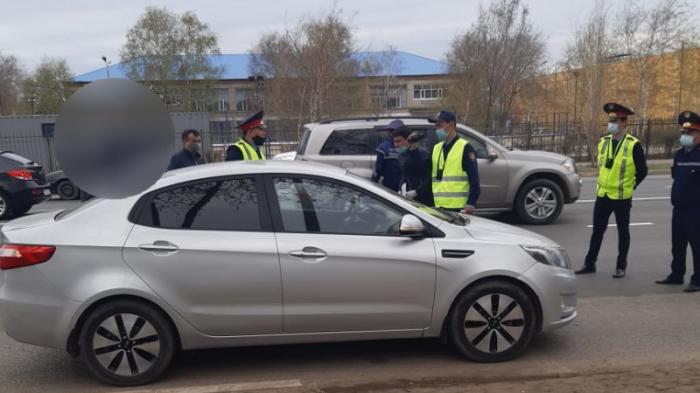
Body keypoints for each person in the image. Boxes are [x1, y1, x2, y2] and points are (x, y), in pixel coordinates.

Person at [575, 103, 648, 278]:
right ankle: (589, 263)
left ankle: (621, 266)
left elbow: (642, 170)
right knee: (597, 231)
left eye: (615, 120)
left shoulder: (633, 145)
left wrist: (631, 185)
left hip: (622, 197)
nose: (611, 123)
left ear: (624, 122)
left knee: (623, 232)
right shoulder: (604, 142)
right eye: (610, 120)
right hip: (603, 195)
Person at [655, 111, 700, 292]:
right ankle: (676, 274)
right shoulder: (679, 154)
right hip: (679, 208)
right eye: (683, 133)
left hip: (696, 209)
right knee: (677, 244)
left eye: (690, 133)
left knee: (697, 246)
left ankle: (698, 280)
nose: (685, 136)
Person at [430, 110, 480, 213]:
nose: (437, 128)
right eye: (436, 125)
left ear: (451, 124)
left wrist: (470, 203)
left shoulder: (465, 147)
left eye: (440, 124)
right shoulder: (437, 148)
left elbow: (474, 180)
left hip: (458, 208)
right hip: (439, 206)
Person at [395, 127, 433, 206]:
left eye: (399, 141)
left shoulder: (423, 155)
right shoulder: (403, 155)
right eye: (394, 141)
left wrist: (416, 191)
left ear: (408, 140)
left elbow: (429, 178)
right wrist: (400, 188)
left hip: (423, 198)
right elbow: (404, 175)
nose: (396, 145)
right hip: (408, 195)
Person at [372, 119, 404, 191]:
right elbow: (378, 169)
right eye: (390, 131)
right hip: (390, 185)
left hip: (404, 185)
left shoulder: (407, 146)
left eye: (393, 131)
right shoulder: (383, 148)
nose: (392, 133)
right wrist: (373, 185)